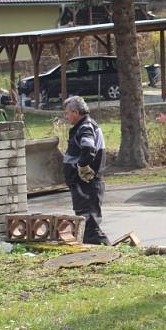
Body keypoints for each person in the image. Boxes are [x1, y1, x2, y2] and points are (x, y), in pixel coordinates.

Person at [62, 96, 110, 245]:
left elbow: (88, 149)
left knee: (89, 225)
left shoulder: (85, 127)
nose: (66, 116)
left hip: (85, 184)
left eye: (67, 113)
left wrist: (81, 167)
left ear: (76, 112)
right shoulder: (87, 125)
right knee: (86, 223)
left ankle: (107, 252)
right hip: (85, 184)